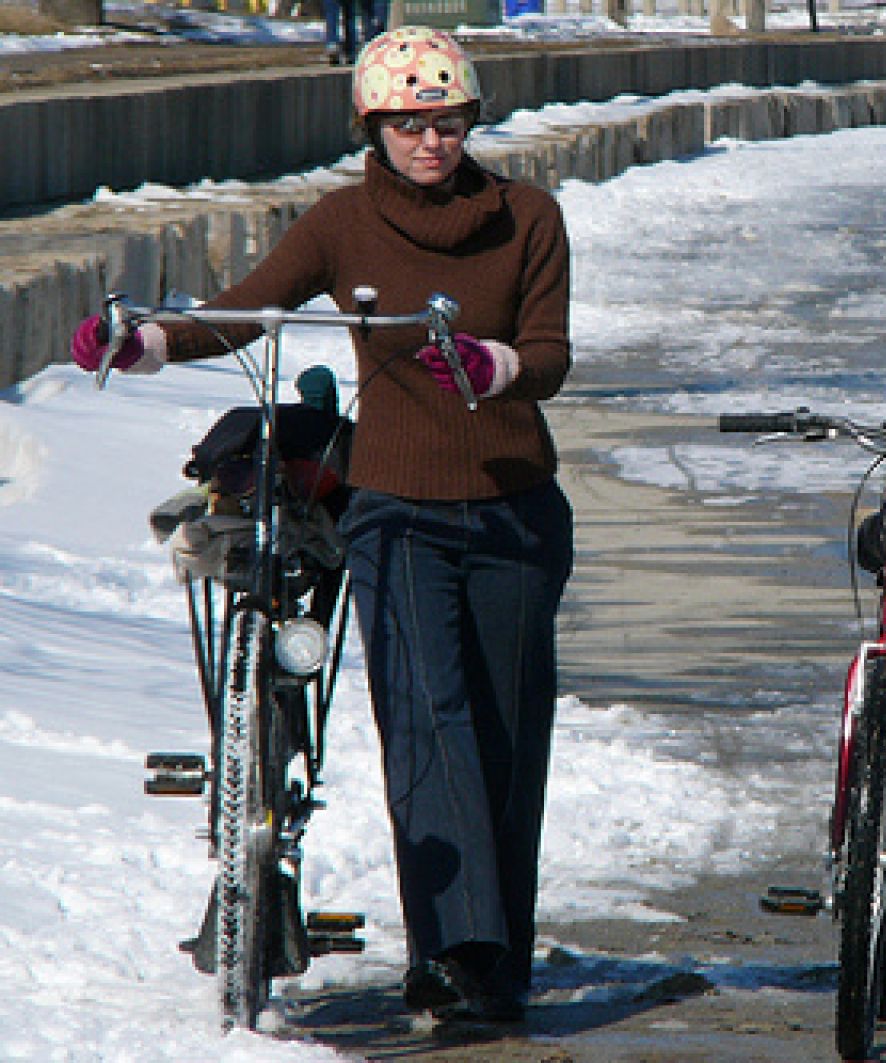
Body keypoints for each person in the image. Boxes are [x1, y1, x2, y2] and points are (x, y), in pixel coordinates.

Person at [69, 26, 574, 1024]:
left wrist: (494, 366)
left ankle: (497, 964)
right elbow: (245, 310)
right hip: (394, 511)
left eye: (448, 119)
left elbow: (549, 351)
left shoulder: (527, 217)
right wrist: (145, 342)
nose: (431, 138)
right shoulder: (341, 223)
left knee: (508, 746)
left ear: (471, 121)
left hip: (516, 508)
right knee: (430, 727)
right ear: (373, 126)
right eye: (409, 122)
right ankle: (451, 953)